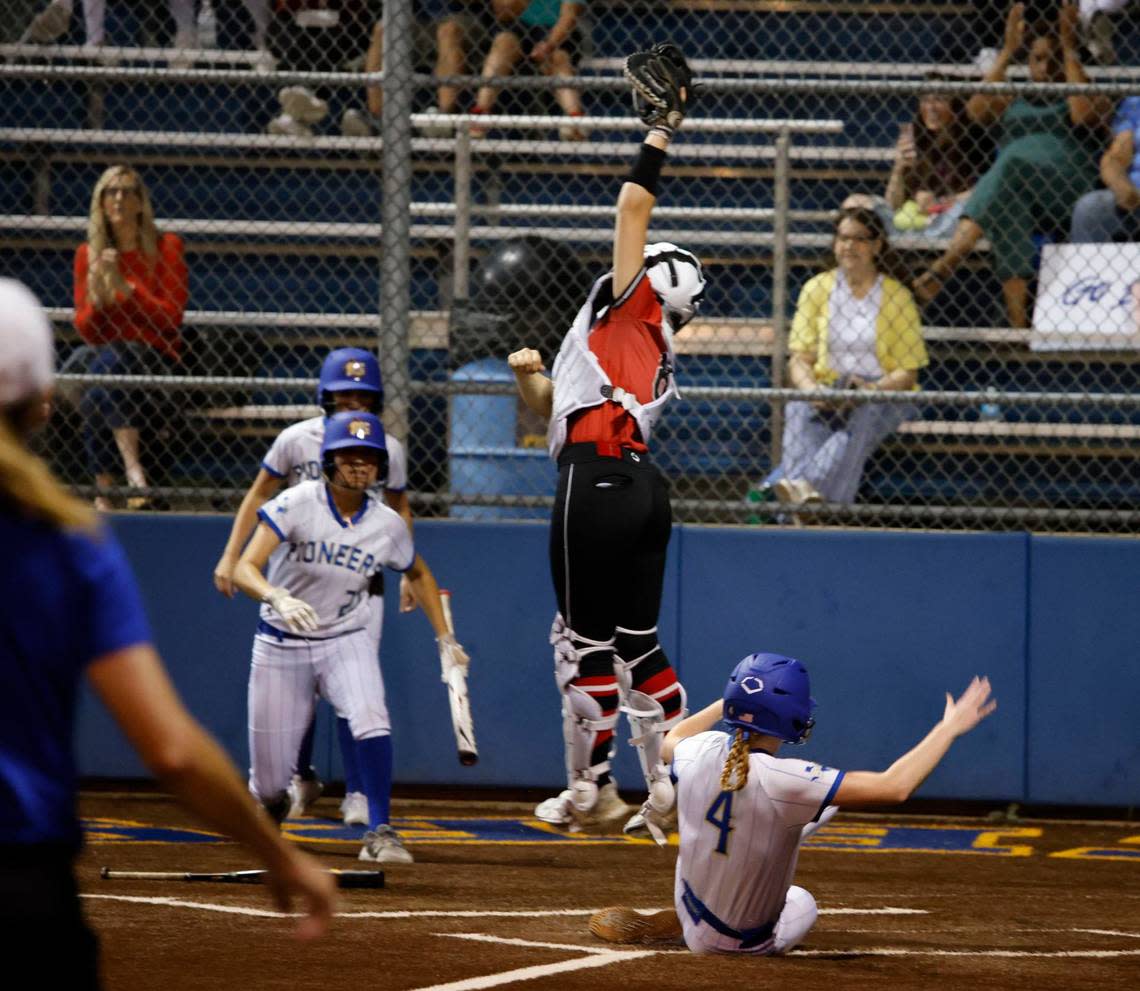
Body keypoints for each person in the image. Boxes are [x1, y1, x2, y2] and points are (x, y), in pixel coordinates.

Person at [0, 278, 335, 987]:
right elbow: (171, 749)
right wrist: (278, 858)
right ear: (42, 401)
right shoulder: (69, 546)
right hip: (20, 879)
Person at [507, 44, 699, 835]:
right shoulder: (653, 349)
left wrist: (659, 132)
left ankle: (589, 789)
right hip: (642, 487)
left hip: (596, 483)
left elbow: (631, 211)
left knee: (584, 646)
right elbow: (563, 406)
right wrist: (528, 383)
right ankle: (671, 786)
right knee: (640, 645)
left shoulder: (630, 306)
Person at [588, 651, 997, 955]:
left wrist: (733, 703)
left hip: (690, 899)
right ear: (791, 717)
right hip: (736, 945)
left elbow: (670, 740)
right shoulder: (790, 779)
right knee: (801, 896)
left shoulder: (700, 748)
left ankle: (684, 917)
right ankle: (696, 924)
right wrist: (949, 729)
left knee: (803, 808)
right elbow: (895, 786)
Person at [232, 410, 469, 864]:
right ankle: (272, 803)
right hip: (281, 640)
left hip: (345, 636)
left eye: (369, 458)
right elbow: (245, 566)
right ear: (329, 460)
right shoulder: (297, 502)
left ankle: (380, 829)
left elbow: (416, 571)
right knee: (267, 779)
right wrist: (275, 596)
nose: (360, 465)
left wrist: (445, 640)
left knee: (370, 716)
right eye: (349, 456)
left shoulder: (387, 523)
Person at [213, 347, 428, 827]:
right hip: (297, 578)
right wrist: (233, 556)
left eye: (363, 396)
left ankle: (359, 794)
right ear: (325, 398)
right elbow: (258, 496)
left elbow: (400, 507)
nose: (353, 404)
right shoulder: (296, 440)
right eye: (343, 395)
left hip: (360, 584)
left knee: (359, 690)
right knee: (298, 691)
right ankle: (297, 777)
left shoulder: (385, 447)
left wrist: (408, 572)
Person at [912, 3, 1113, 328]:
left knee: (1010, 162)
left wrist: (1068, 47)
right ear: (1027, 62)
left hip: (1067, 191)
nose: (1046, 68)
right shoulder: (1015, 98)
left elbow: (1084, 115)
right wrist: (1007, 51)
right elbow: (976, 112)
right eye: (1038, 59)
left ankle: (945, 265)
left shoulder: (1086, 92)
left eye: (1054, 59)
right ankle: (1019, 327)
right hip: (1019, 193)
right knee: (1008, 199)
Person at [768, 207, 928, 509]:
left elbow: (908, 373)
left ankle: (802, 487)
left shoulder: (897, 296)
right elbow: (799, 359)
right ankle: (811, 504)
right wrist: (813, 391)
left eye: (859, 239)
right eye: (842, 238)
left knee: (863, 415)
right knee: (798, 407)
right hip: (829, 384)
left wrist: (870, 390)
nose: (849, 246)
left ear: (877, 245)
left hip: (883, 391)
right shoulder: (817, 289)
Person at [71, 164, 188, 510]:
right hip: (107, 357)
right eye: (111, 192)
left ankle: (104, 491)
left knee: (100, 377)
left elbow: (170, 318)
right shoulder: (88, 255)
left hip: (154, 356)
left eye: (127, 191)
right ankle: (134, 475)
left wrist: (127, 291)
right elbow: (88, 331)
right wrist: (96, 296)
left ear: (140, 203)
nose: (119, 198)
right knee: (101, 378)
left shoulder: (166, 247)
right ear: (101, 203)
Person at [842, 74, 993, 242]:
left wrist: (939, 202)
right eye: (925, 100)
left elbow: (985, 192)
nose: (931, 107)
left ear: (955, 104)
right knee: (854, 202)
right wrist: (899, 168)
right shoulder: (916, 140)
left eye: (940, 99)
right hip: (910, 224)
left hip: (950, 223)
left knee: (964, 208)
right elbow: (893, 204)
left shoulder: (976, 140)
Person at [343, 1, 494, 138]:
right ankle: (378, 120)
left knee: (448, 31)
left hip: (463, 17)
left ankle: (442, 119)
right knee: (383, 28)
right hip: (418, 19)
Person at [470, 0, 587, 140]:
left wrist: (549, 45)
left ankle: (574, 118)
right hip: (519, 27)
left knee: (558, 57)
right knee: (503, 42)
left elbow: (569, 16)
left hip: (555, 30)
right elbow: (503, 13)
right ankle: (481, 111)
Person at [1070, 94, 1140, 243]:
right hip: (1137, 197)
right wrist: (1123, 188)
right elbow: (1115, 158)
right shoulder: (1135, 104)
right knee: (1091, 209)